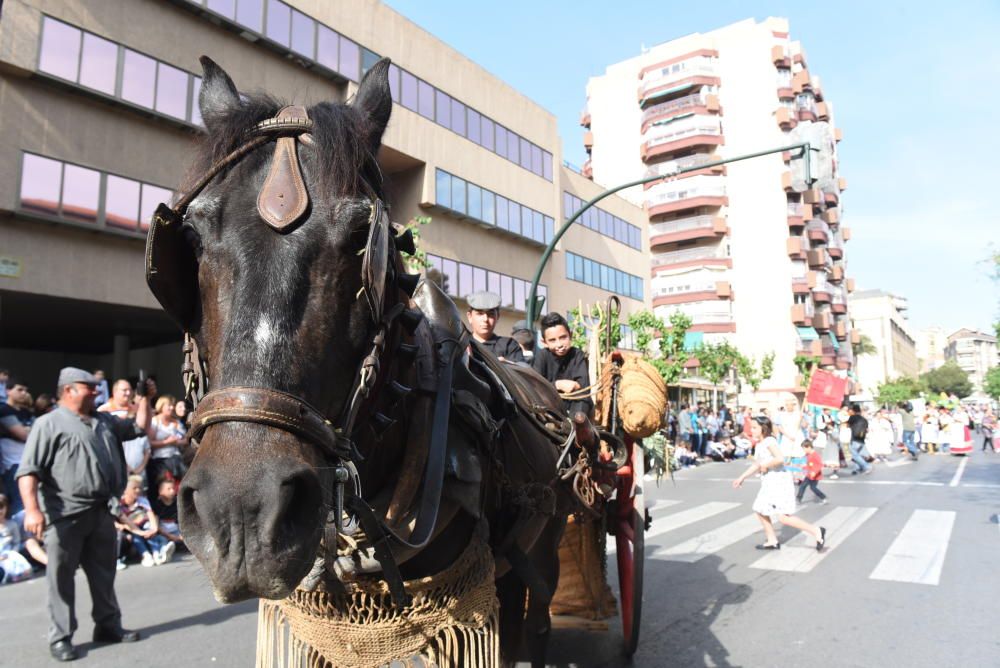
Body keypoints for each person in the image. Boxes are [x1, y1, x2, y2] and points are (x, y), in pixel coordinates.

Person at [16, 367, 150, 662]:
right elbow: (28, 471)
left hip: (102, 511)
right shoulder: (48, 424)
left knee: (104, 574)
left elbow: (140, 427)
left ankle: (108, 625)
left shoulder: (104, 420)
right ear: (68, 390)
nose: (94, 391)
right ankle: (61, 636)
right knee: (61, 578)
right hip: (65, 514)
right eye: (87, 387)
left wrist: (144, 399)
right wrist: (33, 510)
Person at [732, 416, 826, 550]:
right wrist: (742, 477)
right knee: (760, 509)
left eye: (754, 428)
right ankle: (772, 540)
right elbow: (757, 464)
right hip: (770, 482)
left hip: (778, 481)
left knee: (783, 517)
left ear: (763, 429)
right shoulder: (760, 444)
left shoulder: (769, 441)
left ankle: (816, 531)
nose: (751, 430)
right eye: (751, 427)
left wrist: (767, 465)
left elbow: (779, 458)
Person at [532, 312, 592, 416]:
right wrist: (557, 384)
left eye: (563, 337)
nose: (559, 344)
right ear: (544, 342)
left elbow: (583, 386)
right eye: (552, 340)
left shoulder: (577, 354)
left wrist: (549, 385)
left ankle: (574, 427)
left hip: (575, 404)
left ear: (571, 335)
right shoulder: (542, 356)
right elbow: (535, 385)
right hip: (550, 404)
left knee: (584, 399)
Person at [98, 380, 152, 489]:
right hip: (115, 468)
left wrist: (146, 399)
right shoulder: (103, 411)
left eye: (130, 390)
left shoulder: (137, 409)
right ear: (114, 391)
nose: (128, 393)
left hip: (138, 468)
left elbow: (145, 428)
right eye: (124, 390)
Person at [116, 475, 174, 567]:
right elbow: (126, 522)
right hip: (131, 529)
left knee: (149, 527)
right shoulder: (119, 503)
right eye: (134, 488)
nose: (138, 490)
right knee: (136, 535)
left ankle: (156, 553)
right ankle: (146, 555)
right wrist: (141, 532)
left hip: (144, 526)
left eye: (139, 488)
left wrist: (153, 529)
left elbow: (151, 515)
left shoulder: (142, 500)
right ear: (125, 489)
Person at [1, 377, 33, 515]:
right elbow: (23, 435)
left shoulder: (26, 412)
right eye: (19, 389)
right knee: (19, 505)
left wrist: (27, 430)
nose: (24, 393)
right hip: (12, 464)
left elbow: (39, 434)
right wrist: (28, 429)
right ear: (8, 390)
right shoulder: (4, 410)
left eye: (26, 390)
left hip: (28, 461)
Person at [465, 291, 523, 362]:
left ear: (497, 317)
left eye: (490, 314)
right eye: (480, 314)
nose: (485, 319)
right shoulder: (462, 344)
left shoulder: (509, 345)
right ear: (469, 317)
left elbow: (521, 370)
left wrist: (505, 366)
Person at [147, 395, 188, 486]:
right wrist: (167, 442)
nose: (172, 407)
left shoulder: (175, 422)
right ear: (161, 406)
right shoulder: (155, 421)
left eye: (172, 405)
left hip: (176, 459)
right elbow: (149, 443)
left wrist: (176, 442)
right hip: (160, 460)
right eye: (169, 405)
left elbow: (185, 440)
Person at [1, 493, 34, 584]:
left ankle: (17, 575)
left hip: (9, 553)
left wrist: (13, 552)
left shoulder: (11, 524)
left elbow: (16, 541)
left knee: (14, 561)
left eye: (1, 507)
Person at [150, 474, 183, 549]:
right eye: (169, 489)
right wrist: (169, 536)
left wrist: (180, 536)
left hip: (177, 532)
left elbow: (181, 521)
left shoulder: (178, 502)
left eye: (173, 488)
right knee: (162, 540)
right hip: (164, 533)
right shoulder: (156, 505)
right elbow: (156, 525)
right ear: (160, 491)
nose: (172, 491)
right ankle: (165, 551)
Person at [847, 404, 872, 475]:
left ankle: (866, 466)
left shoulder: (852, 417)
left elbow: (847, 425)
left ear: (853, 410)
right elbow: (867, 430)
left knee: (854, 455)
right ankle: (857, 468)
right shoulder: (864, 420)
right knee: (858, 455)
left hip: (854, 439)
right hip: (862, 439)